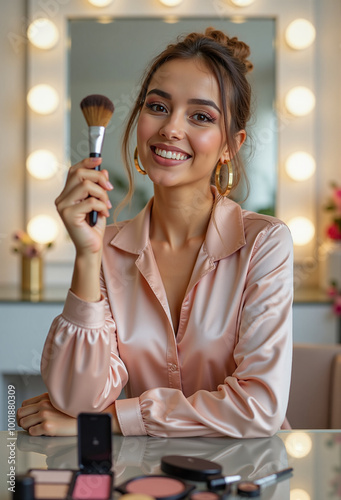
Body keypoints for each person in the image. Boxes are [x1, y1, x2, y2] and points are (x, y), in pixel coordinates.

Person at [17, 28, 293, 438]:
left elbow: (257, 407)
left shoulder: (264, 244)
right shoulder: (108, 250)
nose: (170, 128)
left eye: (200, 116)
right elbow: (77, 400)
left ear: (230, 146)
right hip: (142, 476)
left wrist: (107, 423)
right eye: (158, 106)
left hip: (247, 474)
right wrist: (88, 254)